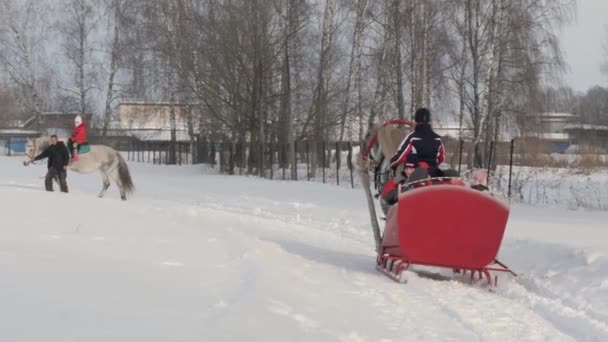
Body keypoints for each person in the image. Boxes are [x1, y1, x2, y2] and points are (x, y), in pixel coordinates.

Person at [390, 108, 446, 177]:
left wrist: (392, 163)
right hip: (433, 173)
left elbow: (401, 156)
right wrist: (433, 166)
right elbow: (442, 158)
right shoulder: (438, 138)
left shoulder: (412, 137)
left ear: (416, 120)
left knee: (396, 182)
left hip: (416, 174)